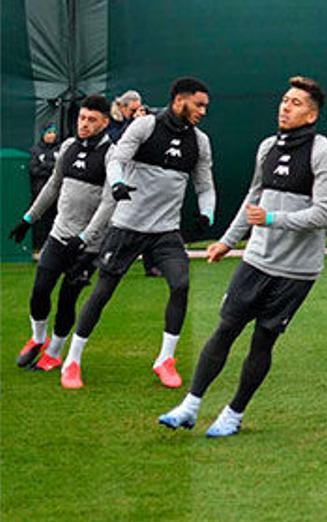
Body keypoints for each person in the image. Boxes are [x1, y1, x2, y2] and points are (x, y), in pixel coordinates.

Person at [159, 77, 327, 437]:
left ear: (312, 115)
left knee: (263, 340)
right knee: (225, 328)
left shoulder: (324, 154)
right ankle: (190, 405)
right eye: (285, 99)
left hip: (296, 272)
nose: (286, 106)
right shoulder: (267, 147)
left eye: (296, 103)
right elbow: (252, 199)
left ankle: (233, 413)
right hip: (255, 261)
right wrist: (228, 241)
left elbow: (325, 214)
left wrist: (274, 219)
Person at [61, 77, 216, 390]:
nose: (202, 111)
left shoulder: (199, 142)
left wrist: (206, 213)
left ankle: (165, 359)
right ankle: (72, 360)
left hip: (165, 232)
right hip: (126, 226)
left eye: (205, 106)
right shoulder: (144, 127)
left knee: (181, 284)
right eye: (198, 104)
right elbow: (117, 160)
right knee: (103, 291)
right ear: (178, 101)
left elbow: (205, 185)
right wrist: (117, 183)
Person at [8, 95, 114, 370]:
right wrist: (29, 218)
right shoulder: (67, 146)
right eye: (82, 118)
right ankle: (38, 338)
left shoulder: (111, 155)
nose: (85, 124)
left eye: (92, 120)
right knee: (40, 290)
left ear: (105, 121)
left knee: (68, 298)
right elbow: (53, 186)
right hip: (59, 235)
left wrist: (86, 239)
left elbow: (108, 203)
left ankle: (54, 353)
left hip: (88, 245)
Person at [28, 123, 61, 252]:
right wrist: (51, 167)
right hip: (40, 191)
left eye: (53, 132)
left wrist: (45, 165)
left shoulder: (60, 149)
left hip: (58, 192)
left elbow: (61, 169)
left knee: (56, 218)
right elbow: (34, 170)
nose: (51, 135)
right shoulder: (36, 150)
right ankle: (41, 246)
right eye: (48, 132)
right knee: (42, 220)